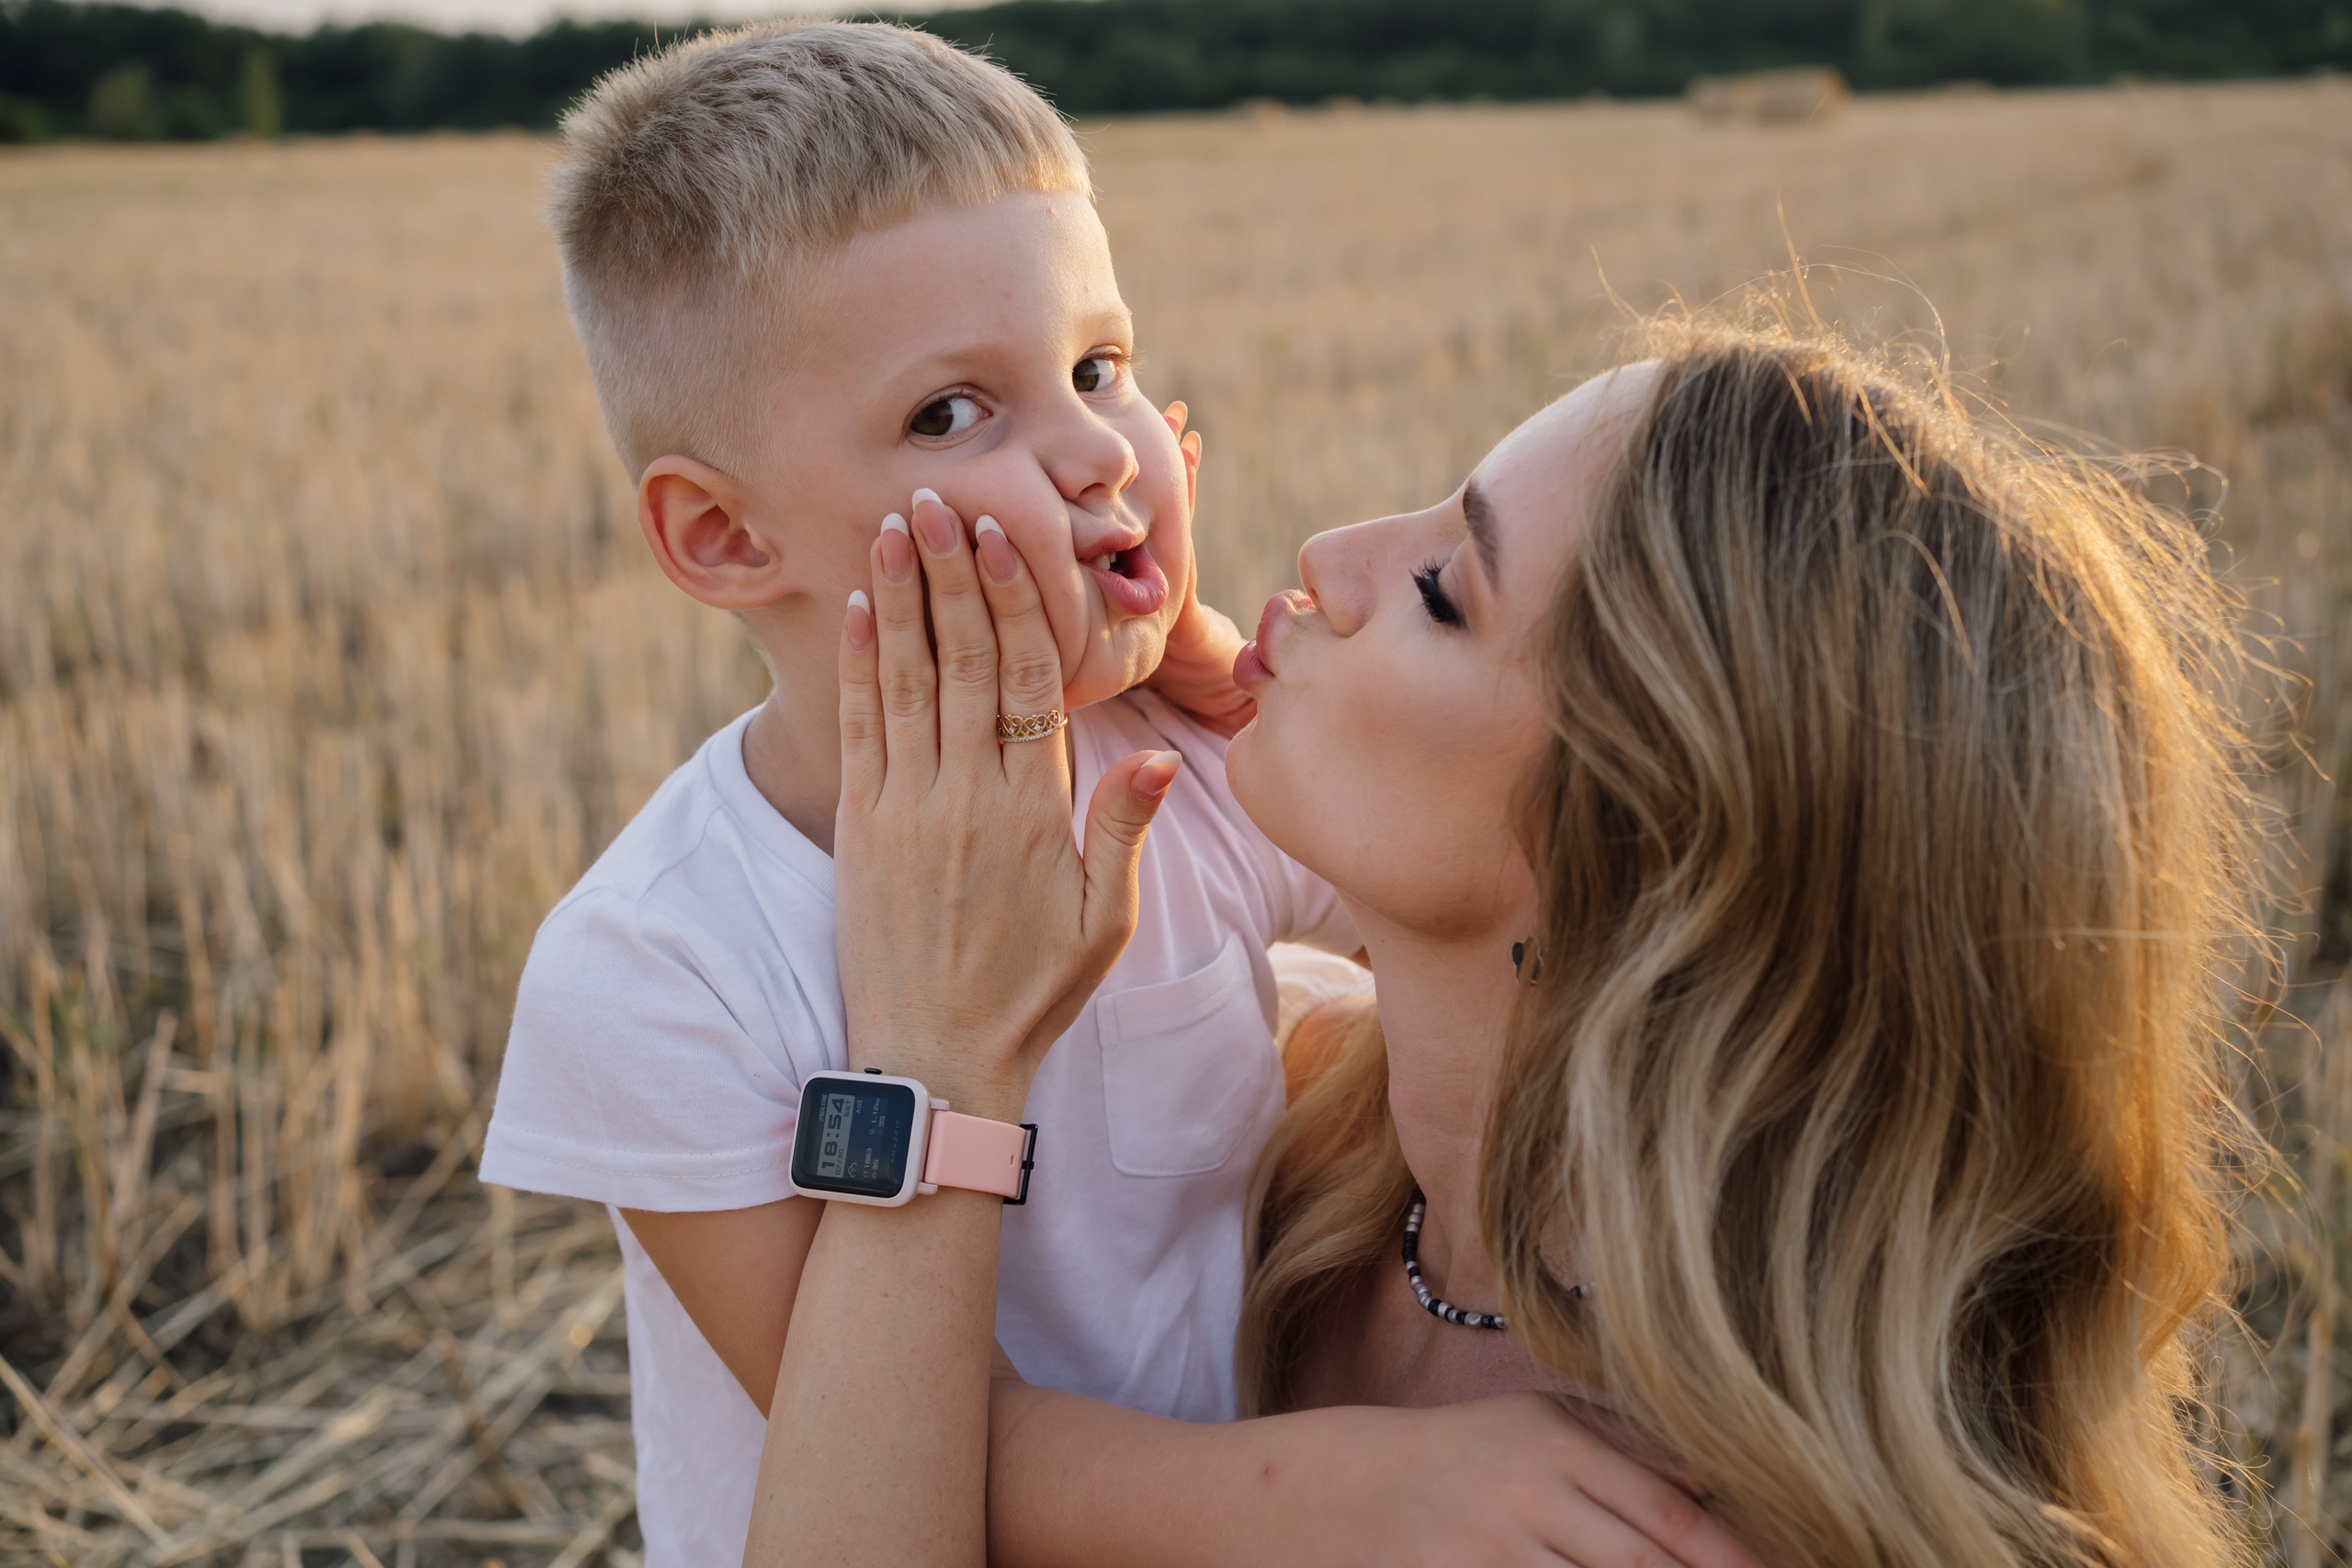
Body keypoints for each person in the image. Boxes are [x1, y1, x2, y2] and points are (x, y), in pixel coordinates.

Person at [477, 19, 1741, 1566]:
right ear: (730, 541)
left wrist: (1242, 675)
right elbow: (937, 1446)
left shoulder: (1180, 764)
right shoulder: (659, 969)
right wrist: (1380, 1488)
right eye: (954, 411)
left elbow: (1517, 915)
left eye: (1100, 366)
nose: (1096, 452)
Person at [801, 310, 2254, 1568]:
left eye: (1443, 592)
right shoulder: (1308, 1132)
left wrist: (935, 1057)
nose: (1332, 555)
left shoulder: (1659, 1522)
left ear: (1645, 863)